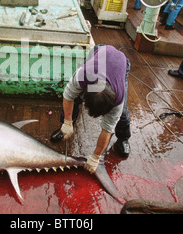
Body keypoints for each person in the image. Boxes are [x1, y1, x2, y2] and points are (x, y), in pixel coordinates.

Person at [50, 44, 132, 173]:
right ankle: (64, 127)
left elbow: (107, 128)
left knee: (122, 114)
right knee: (75, 98)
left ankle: (123, 138)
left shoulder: (118, 98)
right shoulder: (83, 76)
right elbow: (68, 95)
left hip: (121, 62)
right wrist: (67, 121)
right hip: (99, 52)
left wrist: (96, 157)